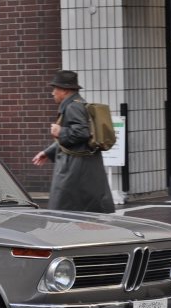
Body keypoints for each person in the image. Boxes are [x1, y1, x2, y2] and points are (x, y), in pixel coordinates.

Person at [32, 70, 115, 213]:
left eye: (55, 89)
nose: (53, 93)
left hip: (75, 167)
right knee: (81, 207)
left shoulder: (73, 106)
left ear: (64, 90)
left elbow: (82, 132)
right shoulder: (77, 103)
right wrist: (48, 152)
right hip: (82, 165)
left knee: (66, 208)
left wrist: (60, 131)